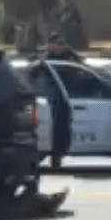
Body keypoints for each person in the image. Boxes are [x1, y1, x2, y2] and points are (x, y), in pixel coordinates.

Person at [41, 33, 81, 168]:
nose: (61, 47)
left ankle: (59, 153)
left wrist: (72, 56)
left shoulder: (69, 58)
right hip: (50, 99)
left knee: (63, 127)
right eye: (58, 44)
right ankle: (55, 155)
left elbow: (80, 69)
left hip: (66, 98)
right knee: (53, 128)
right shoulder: (45, 60)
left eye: (62, 44)